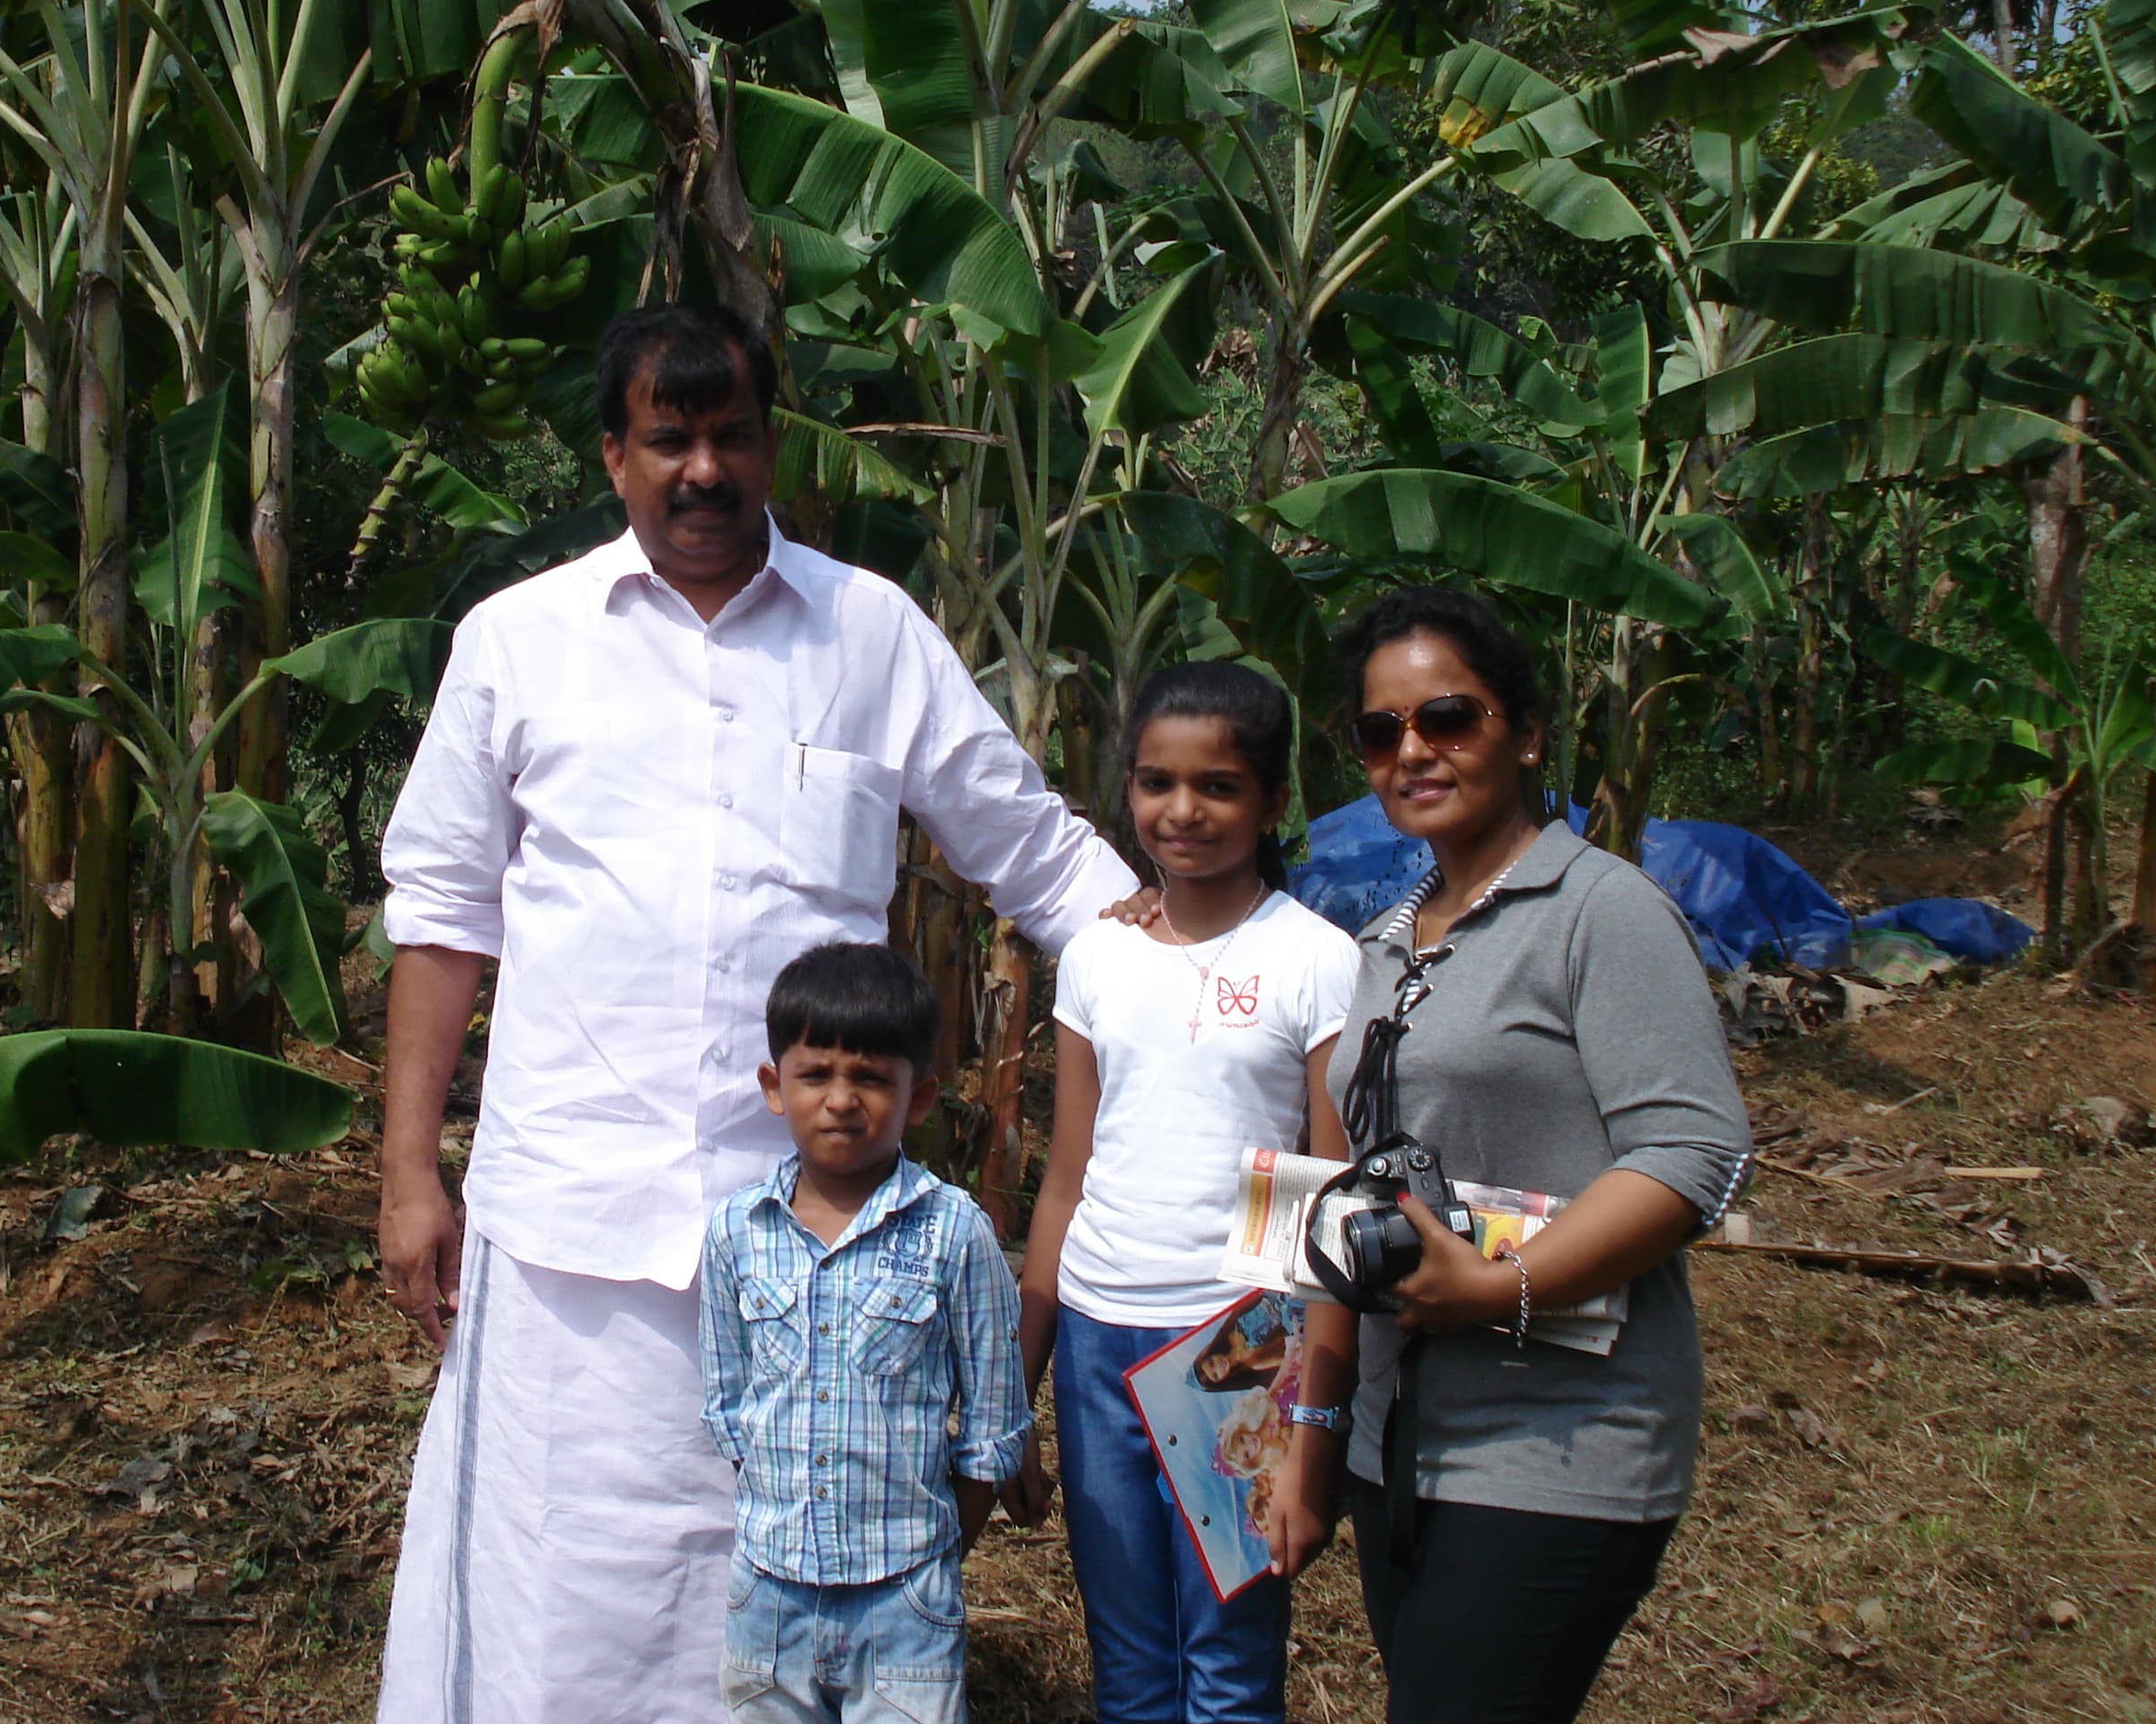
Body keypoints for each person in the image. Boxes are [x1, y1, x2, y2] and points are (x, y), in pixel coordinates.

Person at [374, 303, 1138, 1724]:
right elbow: (441, 912)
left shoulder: (870, 633)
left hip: (809, 1241)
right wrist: (410, 1172)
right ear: (615, 458)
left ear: (773, 446)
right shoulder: (518, 644)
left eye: (732, 437)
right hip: (567, 1230)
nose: (703, 471)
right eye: (669, 440)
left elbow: (1025, 845)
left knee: (783, 1592)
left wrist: (1197, 962)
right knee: (551, 1597)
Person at [1323, 587, 1752, 1724]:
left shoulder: (1600, 912)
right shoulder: (1385, 936)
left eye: (1448, 718)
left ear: (1524, 732)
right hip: (1398, 1436)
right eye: (1381, 730)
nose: (1413, 749)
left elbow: (1696, 1151)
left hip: (1560, 1440)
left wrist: (1501, 1283)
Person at [1006, 660, 1362, 1724]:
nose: (1183, 811)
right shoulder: (1099, 954)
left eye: (1218, 786)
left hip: (1237, 1343)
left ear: (1272, 802)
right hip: (1096, 1334)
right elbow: (1066, 1180)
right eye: (1157, 783)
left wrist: (1311, 1425)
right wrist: (1014, 1394)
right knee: (1129, 1664)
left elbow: (1322, 1199)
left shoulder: (1314, 960)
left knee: (1229, 1666)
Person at [700, 942, 1029, 1724]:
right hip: (767, 1598)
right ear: (774, 1088)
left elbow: (991, 1427)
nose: (841, 1100)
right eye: (815, 1076)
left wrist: (930, 1558)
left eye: (872, 1079)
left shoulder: (955, 1234)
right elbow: (731, 1407)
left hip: (905, 1599)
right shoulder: (736, 1233)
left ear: (920, 1099)